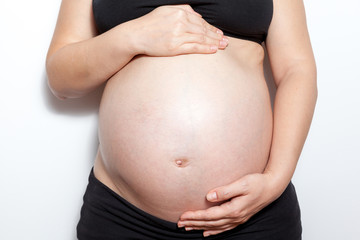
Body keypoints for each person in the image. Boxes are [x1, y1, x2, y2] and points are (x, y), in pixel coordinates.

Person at [46, 0, 317, 239]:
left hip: (253, 216)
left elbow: (297, 69)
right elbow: (60, 78)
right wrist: (130, 36)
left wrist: (276, 179)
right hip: (124, 215)